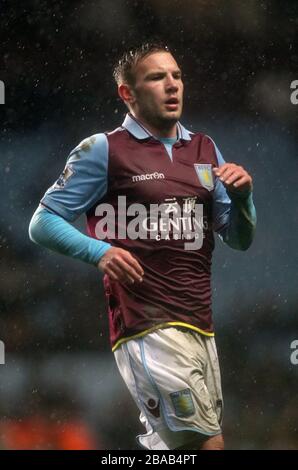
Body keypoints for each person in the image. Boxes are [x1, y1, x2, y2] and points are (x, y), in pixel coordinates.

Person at [29, 42, 256, 450]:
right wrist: (100, 252)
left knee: (170, 450)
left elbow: (238, 240)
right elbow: (42, 222)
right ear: (127, 93)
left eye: (177, 75)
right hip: (147, 325)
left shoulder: (204, 149)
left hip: (200, 325)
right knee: (207, 444)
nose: (172, 85)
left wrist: (243, 199)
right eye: (156, 77)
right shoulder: (103, 150)